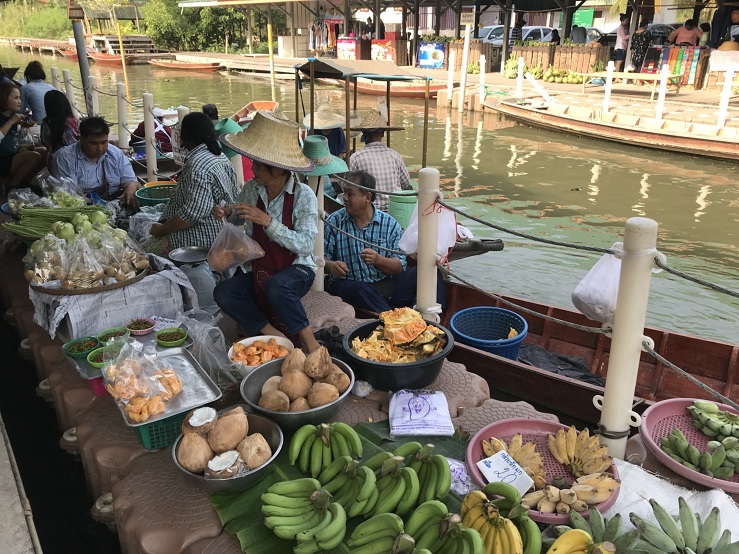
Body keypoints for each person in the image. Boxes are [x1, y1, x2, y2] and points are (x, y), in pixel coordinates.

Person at [213, 111, 321, 352]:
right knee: (224, 292)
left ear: (279, 169)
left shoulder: (303, 196)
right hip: (260, 266)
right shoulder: (253, 188)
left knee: (277, 286)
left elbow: (305, 245)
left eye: (259, 165)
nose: (253, 168)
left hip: (297, 268)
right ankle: (273, 334)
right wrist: (226, 211)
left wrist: (268, 222)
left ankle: (311, 343)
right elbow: (238, 213)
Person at [147, 112, 237, 312]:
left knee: (146, 252)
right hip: (221, 230)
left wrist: (161, 230)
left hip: (203, 236)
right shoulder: (219, 155)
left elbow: (191, 216)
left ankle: (170, 300)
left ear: (186, 138)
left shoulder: (197, 165)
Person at [323, 170, 444, 313]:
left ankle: (429, 318)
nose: (345, 198)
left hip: (386, 286)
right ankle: (392, 318)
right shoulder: (335, 221)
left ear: (367, 197)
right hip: (350, 285)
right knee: (359, 289)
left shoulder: (389, 224)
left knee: (428, 272)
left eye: (350, 194)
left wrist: (378, 260)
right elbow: (321, 259)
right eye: (344, 193)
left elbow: (399, 266)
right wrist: (332, 266)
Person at [53, 116, 141, 206]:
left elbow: (131, 181)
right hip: (82, 206)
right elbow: (67, 195)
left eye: (104, 142)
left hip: (114, 201)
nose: (100, 148)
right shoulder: (65, 158)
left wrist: (130, 188)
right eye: (93, 143)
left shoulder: (115, 153)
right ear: (81, 139)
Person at [348, 109, 410, 212]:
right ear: (382, 134)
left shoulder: (356, 157)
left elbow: (348, 186)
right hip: (394, 209)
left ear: (365, 134)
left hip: (370, 211)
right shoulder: (395, 155)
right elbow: (406, 183)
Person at [0, 82, 46, 192]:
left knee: (44, 151)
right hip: (3, 158)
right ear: (4, 99)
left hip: (12, 153)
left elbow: (12, 140)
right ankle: (13, 186)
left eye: (19, 98)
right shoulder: (8, 118)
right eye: (15, 98)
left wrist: (24, 146)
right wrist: (11, 121)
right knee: (34, 157)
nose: (20, 101)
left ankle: (24, 182)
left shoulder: (12, 115)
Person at [40, 89, 79, 173]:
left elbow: (44, 142)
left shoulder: (45, 123)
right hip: (72, 164)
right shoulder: (72, 123)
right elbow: (74, 146)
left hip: (52, 163)